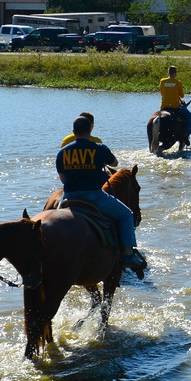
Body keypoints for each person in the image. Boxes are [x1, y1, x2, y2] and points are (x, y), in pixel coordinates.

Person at [57, 115, 144, 268]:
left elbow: (63, 180)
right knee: (127, 215)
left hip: (68, 197)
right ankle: (128, 254)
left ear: (73, 131)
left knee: (54, 220)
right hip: (95, 196)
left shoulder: (62, 153)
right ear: (91, 128)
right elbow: (114, 163)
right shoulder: (99, 148)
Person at [159, 65, 191, 145]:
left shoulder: (162, 81)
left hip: (163, 106)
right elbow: (181, 96)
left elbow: (161, 93)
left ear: (168, 72)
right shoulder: (178, 82)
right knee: (189, 116)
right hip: (175, 106)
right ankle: (186, 135)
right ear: (175, 73)